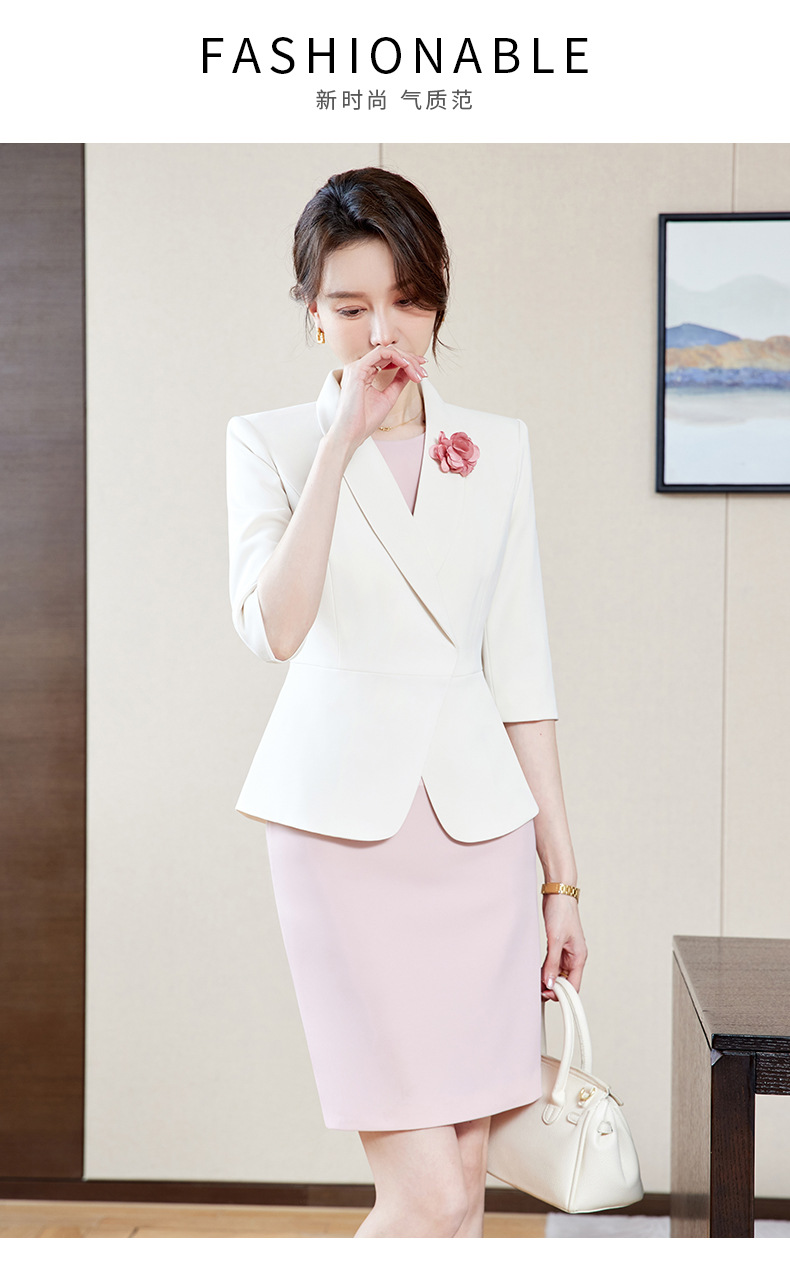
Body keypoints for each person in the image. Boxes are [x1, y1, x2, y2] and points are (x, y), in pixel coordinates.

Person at [225, 167, 587, 1239]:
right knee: (424, 1193)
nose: (382, 331)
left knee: (466, 1185)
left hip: (480, 837)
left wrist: (561, 879)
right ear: (312, 313)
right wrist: (341, 440)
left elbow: (522, 670)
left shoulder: (498, 446)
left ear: (437, 302)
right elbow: (275, 627)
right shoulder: (269, 442)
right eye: (349, 307)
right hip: (343, 835)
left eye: (407, 301)